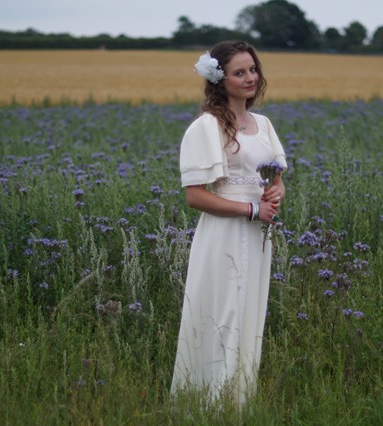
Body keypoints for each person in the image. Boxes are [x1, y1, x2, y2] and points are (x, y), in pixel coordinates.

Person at [171, 40, 287, 407]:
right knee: (222, 312)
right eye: (239, 72)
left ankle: (238, 399)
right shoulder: (206, 127)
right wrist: (251, 211)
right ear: (220, 81)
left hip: (258, 237)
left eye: (253, 69)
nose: (250, 77)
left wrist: (275, 194)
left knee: (249, 310)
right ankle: (207, 400)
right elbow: (195, 195)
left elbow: (277, 177)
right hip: (223, 234)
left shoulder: (264, 124)